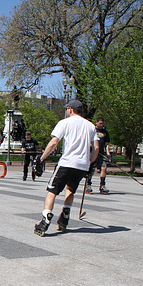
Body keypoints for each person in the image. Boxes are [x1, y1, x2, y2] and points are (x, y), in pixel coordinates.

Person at [34, 100, 99, 236]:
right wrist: (90, 163)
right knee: (70, 189)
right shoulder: (90, 125)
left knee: (52, 190)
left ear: (70, 109)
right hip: (82, 165)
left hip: (67, 162)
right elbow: (96, 147)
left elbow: (54, 142)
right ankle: (65, 214)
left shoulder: (65, 122)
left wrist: (42, 158)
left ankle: (46, 217)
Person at [85, 117, 112, 194]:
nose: (101, 125)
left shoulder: (105, 132)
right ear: (96, 122)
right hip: (93, 152)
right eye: (100, 123)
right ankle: (88, 184)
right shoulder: (92, 130)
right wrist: (94, 148)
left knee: (104, 168)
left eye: (102, 123)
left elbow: (106, 144)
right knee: (91, 169)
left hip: (102, 154)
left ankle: (102, 185)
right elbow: (89, 142)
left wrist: (108, 154)